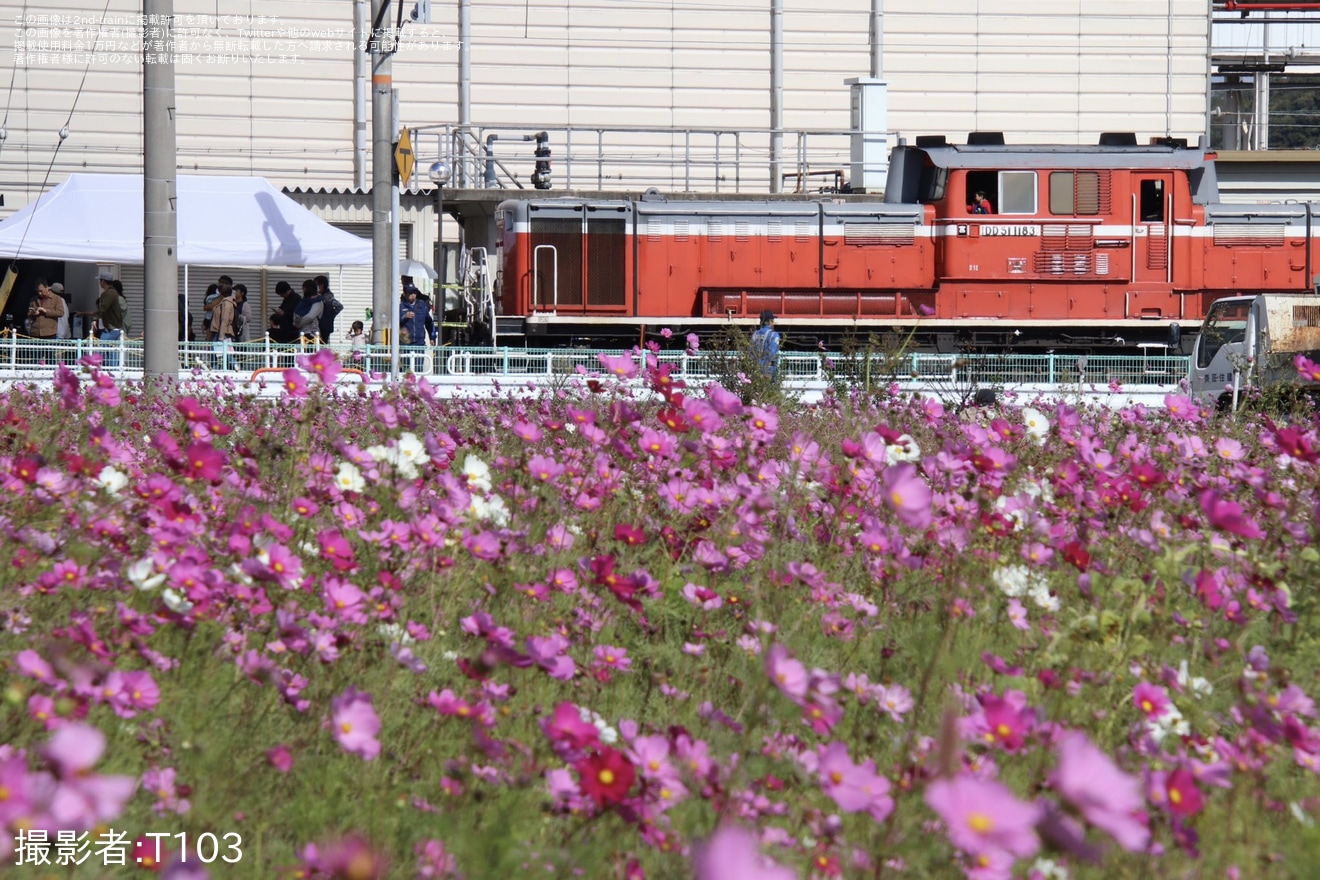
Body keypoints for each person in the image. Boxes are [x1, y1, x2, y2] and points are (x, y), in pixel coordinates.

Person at [749, 310, 781, 382]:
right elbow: (772, 353)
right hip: (769, 368)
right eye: (772, 320)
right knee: (771, 391)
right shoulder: (774, 335)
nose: (773, 323)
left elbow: (750, 352)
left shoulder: (755, 334)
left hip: (756, 368)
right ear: (769, 321)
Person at [316, 274, 342, 344]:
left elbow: (339, 306)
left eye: (317, 285)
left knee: (322, 344)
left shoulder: (328, 296)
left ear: (322, 285)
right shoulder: (319, 295)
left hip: (324, 325)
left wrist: (330, 316)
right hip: (318, 324)